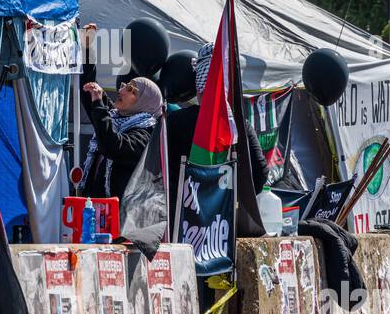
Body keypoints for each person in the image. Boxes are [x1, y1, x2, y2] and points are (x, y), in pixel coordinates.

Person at [165, 41, 269, 222]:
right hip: (224, 224)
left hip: (181, 222)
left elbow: (158, 172)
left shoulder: (175, 122)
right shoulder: (240, 125)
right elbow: (259, 173)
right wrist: (231, 197)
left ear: (198, 86)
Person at [78, 23, 163, 204]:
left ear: (144, 103)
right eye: (125, 85)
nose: (122, 90)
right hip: (92, 207)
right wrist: (87, 48)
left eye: (131, 89)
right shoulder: (117, 117)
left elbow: (112, 146)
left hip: (120, 220)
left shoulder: (145, 134)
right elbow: (88, 91)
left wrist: (99, 106)